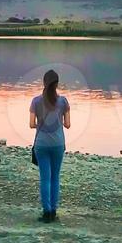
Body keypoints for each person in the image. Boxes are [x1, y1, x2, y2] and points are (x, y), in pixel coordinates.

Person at [29, 68, 70, 222]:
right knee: (55, 177)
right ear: (57, 84)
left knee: (45, 178)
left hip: (41, 144)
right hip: (58, 144)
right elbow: (68, 124)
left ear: (44, 83)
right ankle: (54, 211)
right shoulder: (63, 101)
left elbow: (31, 124)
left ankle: (46, 213)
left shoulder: (36, 101)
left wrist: (41, 123)